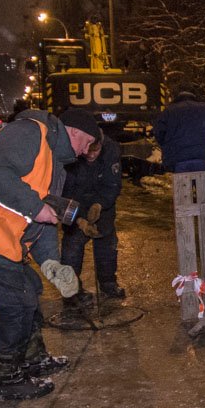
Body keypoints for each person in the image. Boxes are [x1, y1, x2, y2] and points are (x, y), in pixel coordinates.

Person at [0, 106, 102, 401]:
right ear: (75, 132)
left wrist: (51, 263)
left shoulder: (55, 163)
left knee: (30, 289)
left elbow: (44, 218)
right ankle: (6, 378)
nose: (87, 152)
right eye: (87, 143)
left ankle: (33, 358)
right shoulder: (30, 132)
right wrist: (36, 207)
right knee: (17, 301)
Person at [60, 132, 126, 312]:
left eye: (95, 151)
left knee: (106, 243)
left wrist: (100, 205)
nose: (91, 155)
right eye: (87, 151)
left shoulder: (111, 151)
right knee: (72, 247)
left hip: (102, 205)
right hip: (75, 204)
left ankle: (108, 282)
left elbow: (113, 184)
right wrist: (79, 219)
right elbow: (65, 191)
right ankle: (71, 291)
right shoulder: (70, 152)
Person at [153, 85, 205, 173]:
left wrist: (167, 146)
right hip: (203, 156)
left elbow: (159, 133)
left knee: (183, 185)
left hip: (178, 157)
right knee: (203, 185)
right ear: (194, 95)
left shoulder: (168, 111)